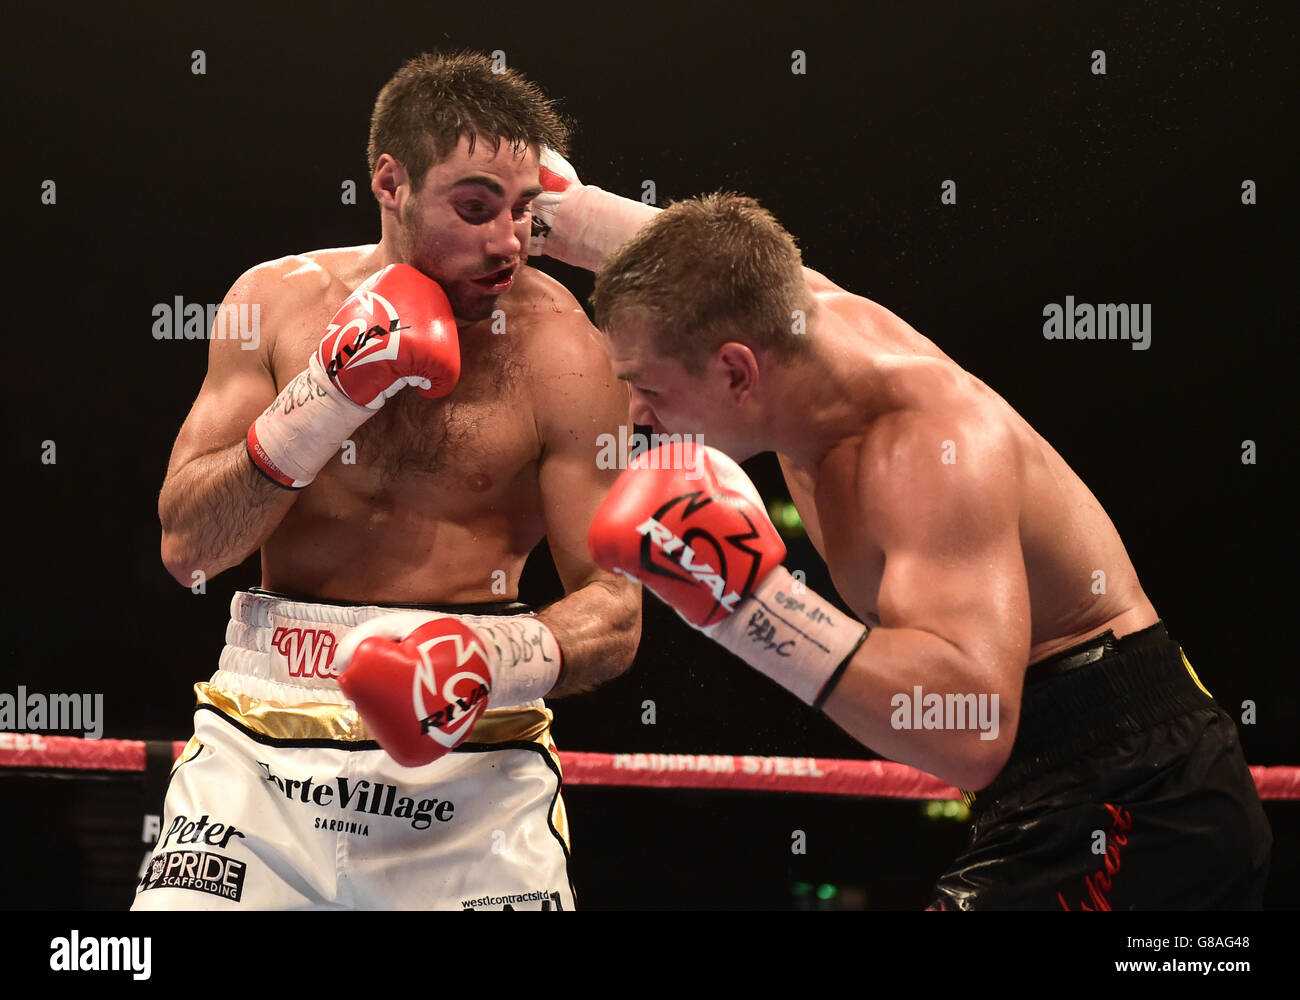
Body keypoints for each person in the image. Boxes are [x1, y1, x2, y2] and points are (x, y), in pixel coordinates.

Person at [572, 190, 1270, 910]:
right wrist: (542, 213)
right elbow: (698, 261)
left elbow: (971, 730)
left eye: (647, 386)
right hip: (1063, 791)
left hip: (1141, 800)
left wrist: (747, 608)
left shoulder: (928, 451)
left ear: (737, 371)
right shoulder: (790, 317)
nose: (636, 414)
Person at [134, 51, 639, 911]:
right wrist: (327, 396)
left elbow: (616, 611)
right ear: (390, 181)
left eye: (523, 212)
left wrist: (488, 658)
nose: (507, 243)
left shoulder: (565, 348)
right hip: (261, 749)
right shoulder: (277, 303)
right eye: (474, 208)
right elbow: (189, 548)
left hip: (474, 767)